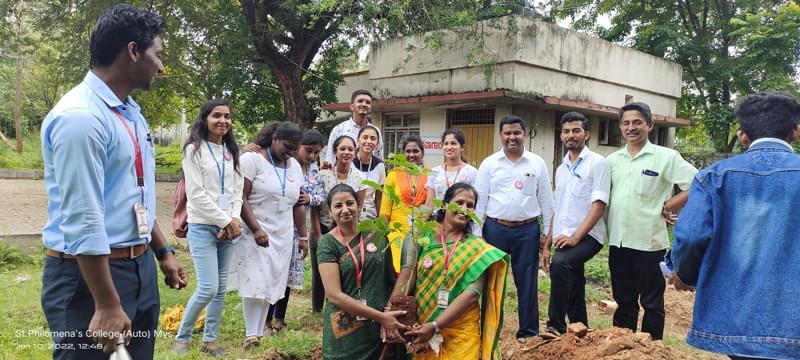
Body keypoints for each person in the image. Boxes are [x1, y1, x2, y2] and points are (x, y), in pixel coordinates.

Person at [40, 5, 187, 359]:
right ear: (133, 51)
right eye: (158, 54)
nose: (162, 66)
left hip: (137, 267)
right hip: (88, 277)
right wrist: (106, 302)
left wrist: (162, 252)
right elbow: (84, 216)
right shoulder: (81, 118)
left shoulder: (129, 112)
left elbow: (131, 196)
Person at [670, 92, 800, 360]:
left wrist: (684, 275)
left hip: (737, 321)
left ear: (742, 135)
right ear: (795, 132)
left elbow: (692, 237)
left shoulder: (714, 177)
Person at [606, 101, 697, 340]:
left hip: (650, 244)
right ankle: (623, 348)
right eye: (626, 123)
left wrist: (668, 205)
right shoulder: (612, 160)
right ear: (620, 127)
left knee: (652, 303)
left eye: (637, 122)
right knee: (623, 301)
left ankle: (652, 349)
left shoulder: (666, 157)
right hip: (619, 243)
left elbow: (697, 183)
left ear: (649, 124)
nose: (631, 127)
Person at [389, 183, 509, 359]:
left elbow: (472, 294)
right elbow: (406, 278)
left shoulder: (477, 249)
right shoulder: (422, 236)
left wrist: (435, 325)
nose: (464, 209)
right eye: (459, 202)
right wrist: (389, 314)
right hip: (422, 329)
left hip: (461, 334)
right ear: (444, 204)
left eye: (470, 206)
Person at [174, 99, 245, 356]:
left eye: (227, 116)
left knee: (221, 288)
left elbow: (237, 190)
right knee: (208, 287)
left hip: (229, 229)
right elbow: (196, 194)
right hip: (203, 227)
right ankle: (182, 337)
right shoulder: (193, 150)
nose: (223, 121)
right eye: (217, 115)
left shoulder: (231, 151)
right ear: (205, 119)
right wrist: (225, 221)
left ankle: (210, 341)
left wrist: (234, 221)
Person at [474, 115, 553, 338]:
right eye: (507, 133)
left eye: (516, 133)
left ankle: (528, 332)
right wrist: (477, 234)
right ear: (500, 135)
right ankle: (488, 329)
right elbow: (480, 201)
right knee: (491, 281)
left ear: (524, 134)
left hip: (527, 231)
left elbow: (547, 200)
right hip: (494, 229)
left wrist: (547, 235)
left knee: (527, 282)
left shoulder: (537, 163)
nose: (512, 137)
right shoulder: (489, 164)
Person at [318, 184, 409, 360]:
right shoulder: (327, 244)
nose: (345, 210)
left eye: (349, 203)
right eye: (338, 206)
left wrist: (388, 314)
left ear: (358, 206)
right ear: (330, 212)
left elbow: (390, 278)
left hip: (378, 330)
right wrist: (382, 317)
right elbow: (334, 295)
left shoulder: (377, 235)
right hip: (345, 331)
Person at [540, 112, 610, 336]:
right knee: (574, 279)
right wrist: (547, 244)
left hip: (589, 236)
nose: (571, 135)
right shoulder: (561, 169)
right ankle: (580, 326)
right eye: (566, 131)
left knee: (561, 264)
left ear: (586, 134)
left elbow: (598, 206)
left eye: (576, 130)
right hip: (563, 236)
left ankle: (555, 325)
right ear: (561, 136)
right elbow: (556, 209)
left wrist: (574, 238)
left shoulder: (598, 164)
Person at [380, 135, 429, 273]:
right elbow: (384, 210)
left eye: (416, 151)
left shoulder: (429, 176)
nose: (411, 155)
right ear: (402, 154)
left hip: (420, 233)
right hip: (396, 232)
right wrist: (382, 236)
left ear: (422, 153)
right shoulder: (393, 175)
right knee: (398, 268)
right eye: (408, 151)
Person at [294, 129, 327, 313]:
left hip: (305, 223)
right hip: (286, 223)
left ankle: (280, 318)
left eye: (316, 152)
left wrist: (309, 198)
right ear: (298, 145)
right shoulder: (288, 164)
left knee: (295, 268)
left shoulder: (314, 168)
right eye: (308, 150)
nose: (312, 155)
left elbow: (319, 196)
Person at [324, 90, 383, 167]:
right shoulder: (339, 130)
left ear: (370, 108)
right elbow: (330, 159)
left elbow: (379, 157)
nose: (364, 104)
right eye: (360, 101)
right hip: (344, 175)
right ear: (352, 107)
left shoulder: (375, 131)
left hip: (368, 175)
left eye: (368, 102)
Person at [320, 135, 367, 232]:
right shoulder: (322, 176)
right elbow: (315, 210)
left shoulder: (360, 178)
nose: (346, 152)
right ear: (334, 151)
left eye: (350, 149)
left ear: (355, 153)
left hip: (349, 230)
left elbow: (358, 210)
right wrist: (317, 233)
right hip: (324, 228)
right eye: (342, 149)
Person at [425, 128, 478, 208]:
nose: (449, 147)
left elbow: (475, 203)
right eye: (446, 143)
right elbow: (429, 204)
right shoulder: (434, 172)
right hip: (439, 219)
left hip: (461, 217)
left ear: (462, 147)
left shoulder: (471, 172)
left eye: (453, 143)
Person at [354, 125, 387, 221]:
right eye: (365, 137)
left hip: (370, 217)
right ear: (358, 140)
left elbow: (379, 198)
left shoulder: (380, 165)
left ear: (377, 144)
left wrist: (379, 220)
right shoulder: (349, 162)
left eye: (373, 139)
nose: (368, 141)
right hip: (350, 216)